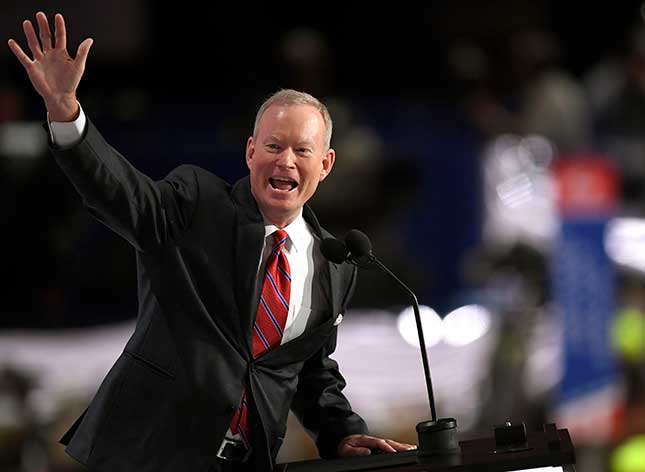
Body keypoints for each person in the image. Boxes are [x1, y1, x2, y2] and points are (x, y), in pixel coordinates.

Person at [8, 11, 416, 472]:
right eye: (273, 146)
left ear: (325, 164)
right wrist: (65, 112)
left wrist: (342, 435)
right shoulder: (198, 203)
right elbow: (124, 195)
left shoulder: (334, 263)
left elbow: (310, 375)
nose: (285, 161)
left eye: (302, 150)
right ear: (250, 151)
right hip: (149, 455)